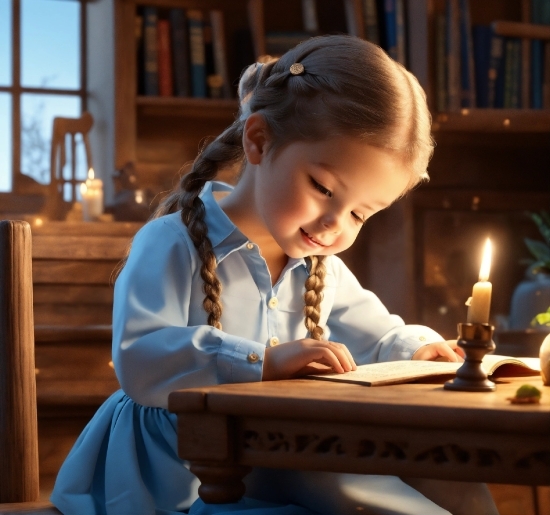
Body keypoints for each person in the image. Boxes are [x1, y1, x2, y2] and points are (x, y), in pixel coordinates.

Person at [51, 35, 499, 515]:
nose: (335, 226)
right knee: (356, 495)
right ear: (259, 140)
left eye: (361, 215)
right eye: (323, 188)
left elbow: (378, 336)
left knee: (458, 484)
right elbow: (140, 358)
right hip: (180, 472)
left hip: (276, 449)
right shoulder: (169, 242)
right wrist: (261, 361)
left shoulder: (321, 268)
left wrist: (417, 350)